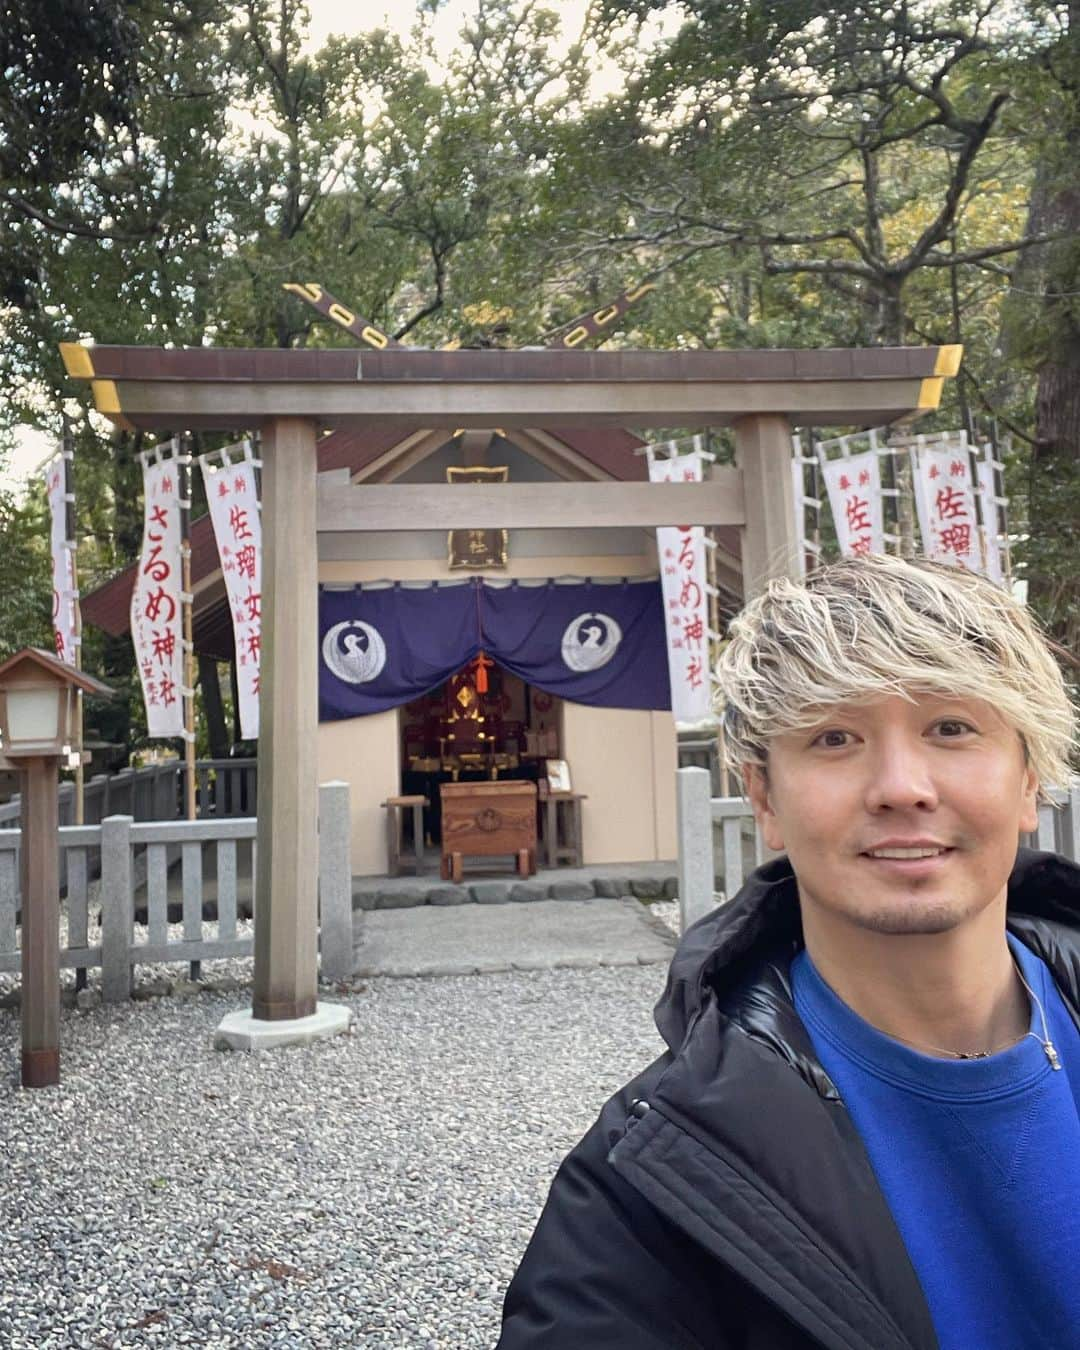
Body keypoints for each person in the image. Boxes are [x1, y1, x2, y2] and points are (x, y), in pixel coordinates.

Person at [497, 554, 1080, 1350]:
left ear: (1029, 779)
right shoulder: (652, 1178)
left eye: (952, 727)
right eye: (835, 737)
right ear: (765, 798)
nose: (901, 786)